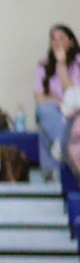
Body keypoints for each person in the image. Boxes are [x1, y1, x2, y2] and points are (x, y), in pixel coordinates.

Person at [33, 24, 79, 163]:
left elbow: (72, 95)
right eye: (53, 39)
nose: (56, 42)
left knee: (47, 129)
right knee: (44, 111)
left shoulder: (78, 62)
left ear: (70, 42)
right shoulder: (43, 66)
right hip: (57, 113)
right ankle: (62, 144)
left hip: (75, 113)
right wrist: (59, 102)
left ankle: (62, 145)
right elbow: (39, 98)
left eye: (61, 38)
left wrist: (61, 64)